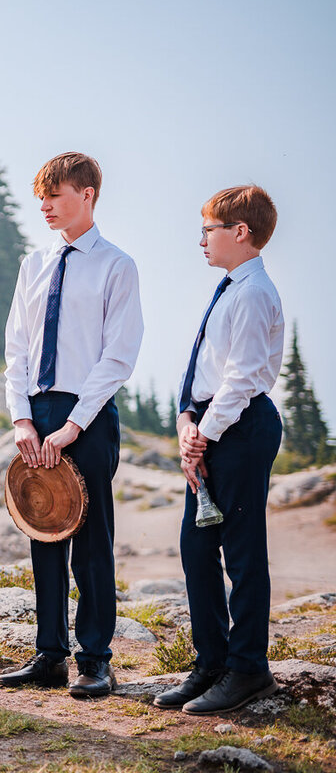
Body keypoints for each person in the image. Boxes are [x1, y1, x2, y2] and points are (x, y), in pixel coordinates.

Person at [0, 152, 143, 698]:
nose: (45, 206)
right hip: (37, 414)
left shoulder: (116, 265)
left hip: (90, 414)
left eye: (55, 195)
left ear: (87, 194)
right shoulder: (33, 263)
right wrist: (21, 419)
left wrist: (75, 425)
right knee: (43, 532)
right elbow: (16, 345)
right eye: (41, 196)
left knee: (92, 540)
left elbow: (118, 355)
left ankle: (96, 660)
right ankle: (49, 655)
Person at [154, 186, 284, 715]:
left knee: (242, 549)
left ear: (241, 232)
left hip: (240, 427)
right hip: (212, 423)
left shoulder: (254, 292)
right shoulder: (231, 287)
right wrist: (188, 422)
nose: (202, 240)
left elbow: (242, 376)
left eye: (209, 229)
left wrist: (203, 433)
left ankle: (249, 668)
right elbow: (206, 371)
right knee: (197, 547)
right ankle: (211, 662)